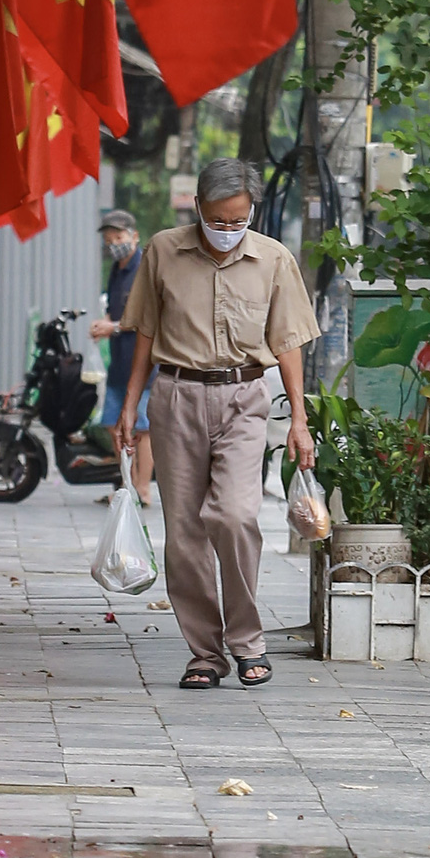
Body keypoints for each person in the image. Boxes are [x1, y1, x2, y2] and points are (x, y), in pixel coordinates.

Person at [116, 159, 317, 690]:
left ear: (252, 212)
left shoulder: (273, 259)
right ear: (199, 207)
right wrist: (128, 405)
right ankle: (205, 653)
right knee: (183, 532)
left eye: (238, 220)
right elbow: (142, 332)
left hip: (245, 396)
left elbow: (288, 342)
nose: (228, 230)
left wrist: (299, 420)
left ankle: (248, 641)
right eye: (219, 219)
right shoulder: (163, 250)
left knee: (233, 515)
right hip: (176, 395)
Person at [91, 208, 152, 502]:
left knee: (142, 427)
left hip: (143, 363)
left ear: (134, 236)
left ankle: (142, 487)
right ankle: (127, 484)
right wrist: (106, 324)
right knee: (112, 424)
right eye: (108, 238)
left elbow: (146, 318)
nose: (113, 242)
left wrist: (112, 327)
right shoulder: (116, 271)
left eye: (118, 236)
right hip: (119, 363)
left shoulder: (144, 269)